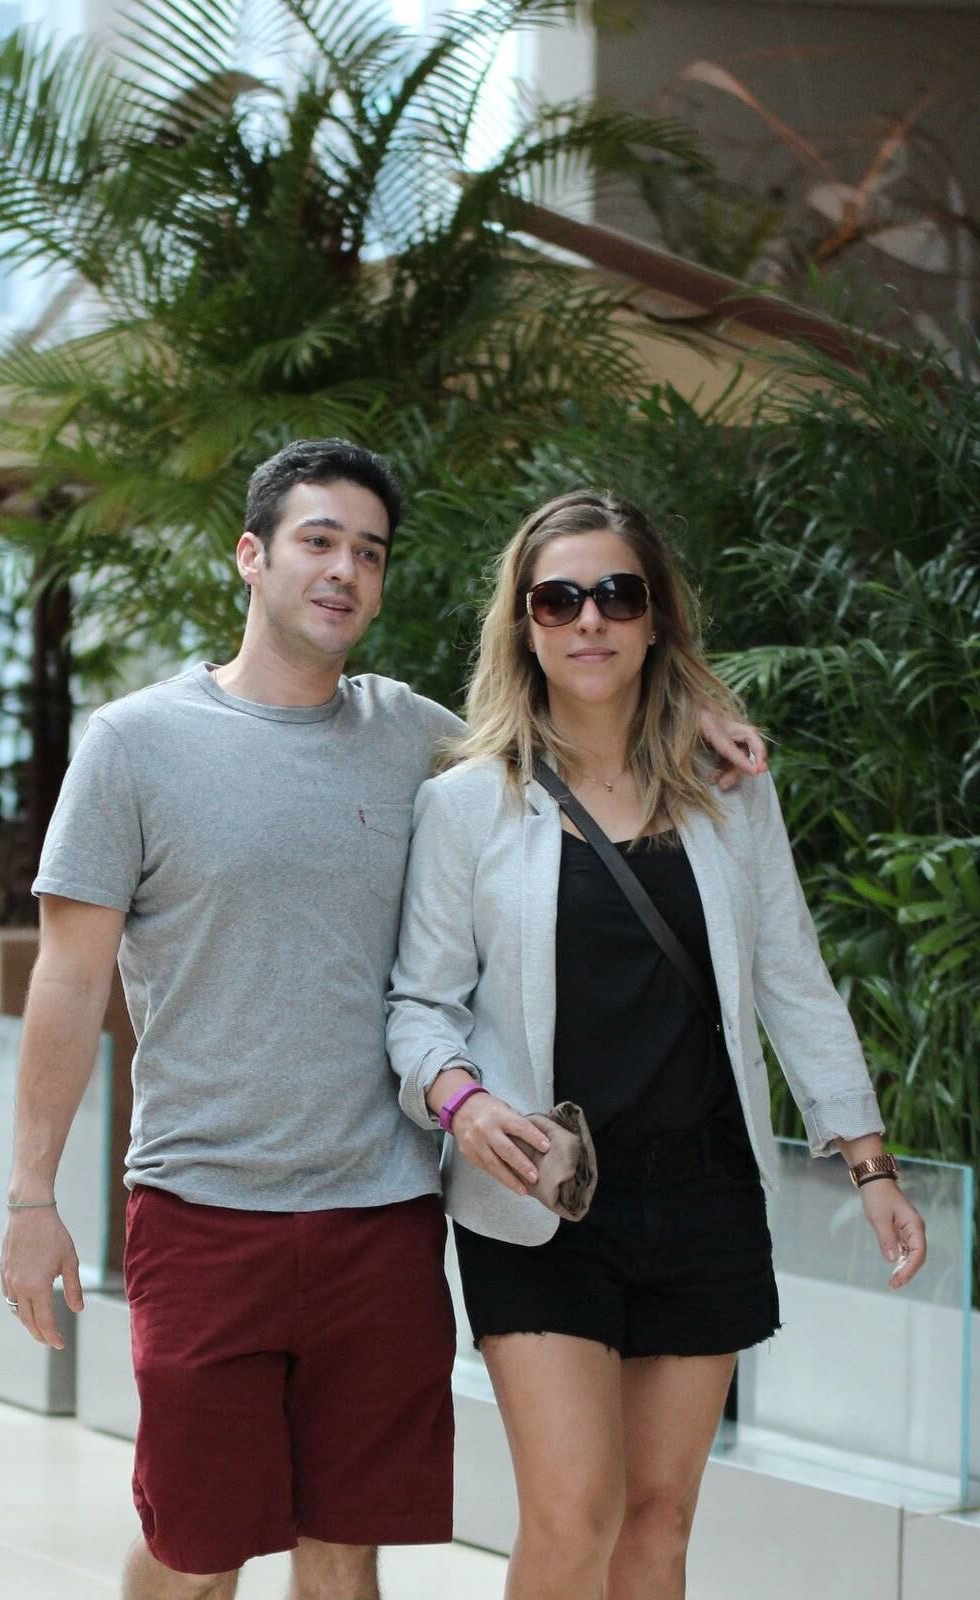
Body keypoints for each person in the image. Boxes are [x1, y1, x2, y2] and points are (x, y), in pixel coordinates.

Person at [0, 443, 768, 1600]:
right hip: (206, 1206)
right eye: (318, 541)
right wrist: (31, 1197)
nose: (344, 570)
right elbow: (66, 982)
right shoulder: (133, 743)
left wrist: (692, 703)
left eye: (369, 552)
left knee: (345, 1548)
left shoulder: (418, 738)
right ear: (251, 555)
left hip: (383, 1215)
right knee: (197, 1547)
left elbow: (573, 721)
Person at [386, 490, 927, 1600]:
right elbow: (419, 1006)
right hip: (542, 1197)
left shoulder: (728, 792)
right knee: (573, 1517)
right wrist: (460, 1101)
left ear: (655, 617)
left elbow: (792, 979)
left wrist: (869, 1164)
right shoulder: (465, 804)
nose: (589, 619)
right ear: (524, 623)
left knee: (656, 1525)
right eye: (558, 598)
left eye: (617, 594)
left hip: (701, 1193)